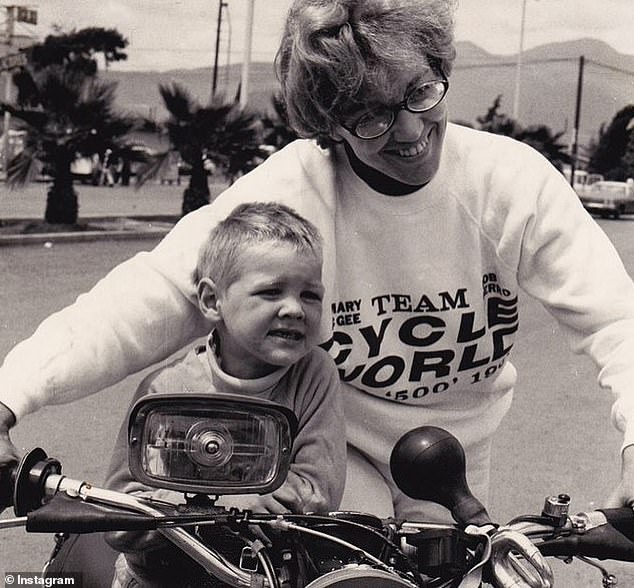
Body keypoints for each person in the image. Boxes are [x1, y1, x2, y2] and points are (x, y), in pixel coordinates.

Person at [2, 0, 634, 522]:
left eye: (419, 92)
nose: (410, 132)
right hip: (322, 445)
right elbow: (157, 295)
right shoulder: (291, 189)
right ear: (329, 127)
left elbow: (614, 320)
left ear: (441, 69)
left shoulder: (512, 182)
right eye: (370, 117)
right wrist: (11, 395)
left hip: (454, 457)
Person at [105, 201, 346, 586]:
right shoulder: (167, 390)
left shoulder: (314, 374)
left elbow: (316, 494)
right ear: (212, 301)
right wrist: (236, 507)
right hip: (159, 578)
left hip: (265, 576)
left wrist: (192, 507)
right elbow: (120, 513)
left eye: (310, 295)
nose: (294, 309)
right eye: (271, 292)